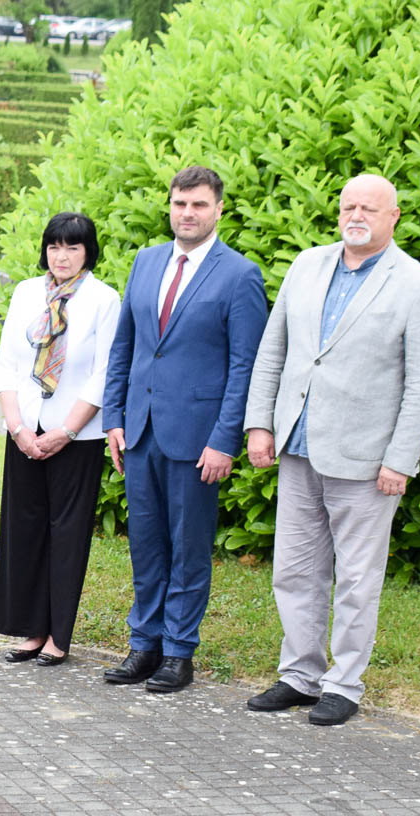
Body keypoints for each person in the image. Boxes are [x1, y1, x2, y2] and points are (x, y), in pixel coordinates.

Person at [242, 174, 420, 726]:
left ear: (394, 217)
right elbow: (273, 351)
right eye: (348, 206)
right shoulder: (307, 265)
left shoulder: (417, 285)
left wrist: (400, 459)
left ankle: (344, 684)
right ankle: (299, 675)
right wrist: (260, 424)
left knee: (357, 579)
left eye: (369, 208)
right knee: (294, 570)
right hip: (298, 447)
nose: (356, 216)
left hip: (366, 460)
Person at [101, 166, 268, 694]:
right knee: (146, 544)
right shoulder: (146, 261)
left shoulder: (240, 275)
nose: (187, 213)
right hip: (140, 430)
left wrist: (224, 439)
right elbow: (125, 346)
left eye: (198, 204)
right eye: (179, 203)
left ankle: (178, 651)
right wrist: (114, 418)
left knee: (188, 547)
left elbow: (245, 366)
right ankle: (143, 645)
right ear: (169, 206)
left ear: (219, 209)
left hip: (198, 439)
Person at [0, 212, 121, 666]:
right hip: (24, 431)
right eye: (54, 246)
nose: (61, 256)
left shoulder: (105, 300)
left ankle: (58, 637)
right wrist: (18, 428)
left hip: (76, 436)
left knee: (66, 536)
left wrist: (65, 432)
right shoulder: (27, 292)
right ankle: (31, 630)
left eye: (72, 247)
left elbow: (105, 373)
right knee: (24, 532)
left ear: (88, 252)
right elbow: (7, 364)